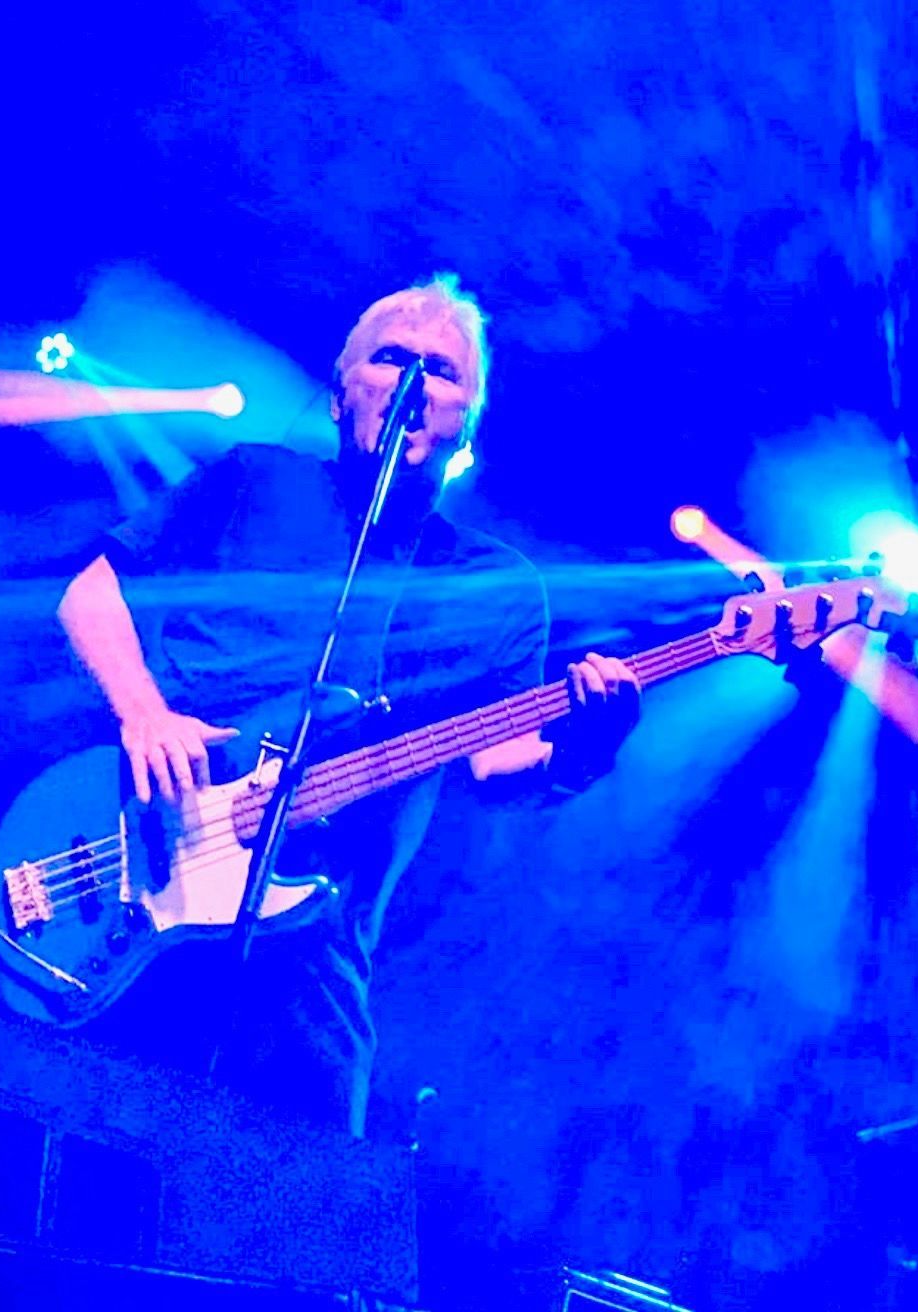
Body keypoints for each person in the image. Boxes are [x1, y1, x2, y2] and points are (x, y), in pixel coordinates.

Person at [57, 275, 640, 1136]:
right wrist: (142, 711)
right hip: (130, 861)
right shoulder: (250, 479)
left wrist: (588, 747)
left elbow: (496, 767)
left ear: (465, 424)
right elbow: (91, 592)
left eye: (440, 372)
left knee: (294, 1217)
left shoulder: (496, 588)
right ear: (340, 391)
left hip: (312, 950)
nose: (412, 381)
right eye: (390, 358)